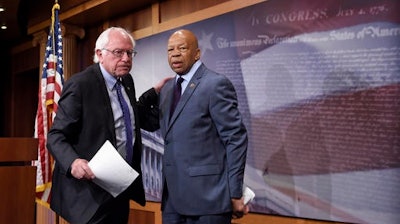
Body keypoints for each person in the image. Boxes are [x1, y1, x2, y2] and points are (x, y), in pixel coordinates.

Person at [47, 27, 169, 224]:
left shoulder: (126, 80)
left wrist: (154, 92)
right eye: (118, 52)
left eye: (130, 53)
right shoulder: (81, 85)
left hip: (119, 189)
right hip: (89, 196)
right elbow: (56, 136)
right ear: (99, 54)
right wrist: (73, 162)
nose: (126, 58)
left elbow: (131, 116)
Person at [158, 29, 249, 224]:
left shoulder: (215, 84)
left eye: (182, 48)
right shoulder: (166, 90)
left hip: (209, 201)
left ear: (197, 53)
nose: (175, 53)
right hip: (172, 201)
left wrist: (235, 192)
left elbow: (235, 139)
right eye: (170, 50)